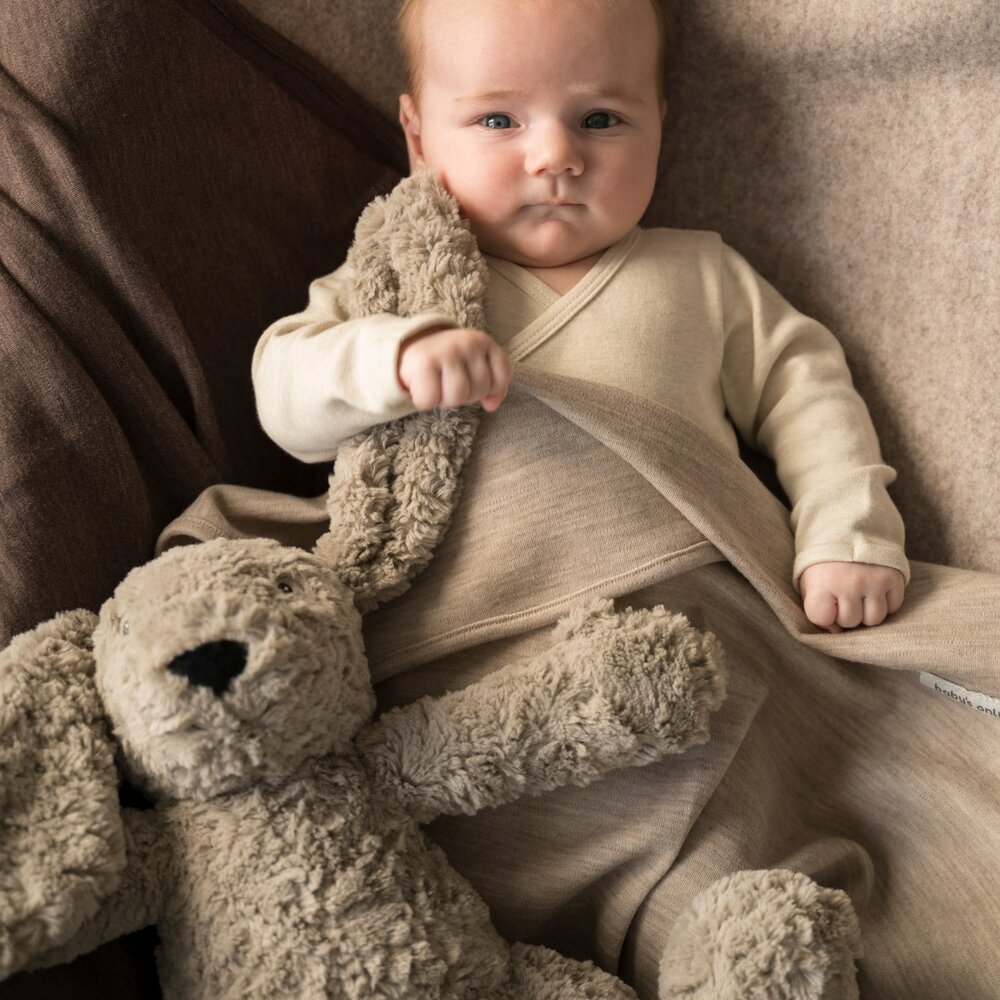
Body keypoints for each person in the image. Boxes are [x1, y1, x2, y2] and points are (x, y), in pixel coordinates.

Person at [252, 0, 908, 633]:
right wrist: (389, 360)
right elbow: (284, 396)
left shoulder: (700, 274)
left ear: (659, 125)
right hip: (463, 631)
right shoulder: (391, 284)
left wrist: (845, 534)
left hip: (689, 619)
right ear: (419, 139)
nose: (556, 157)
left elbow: (807, 390)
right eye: (498, 120)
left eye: (600, 120)